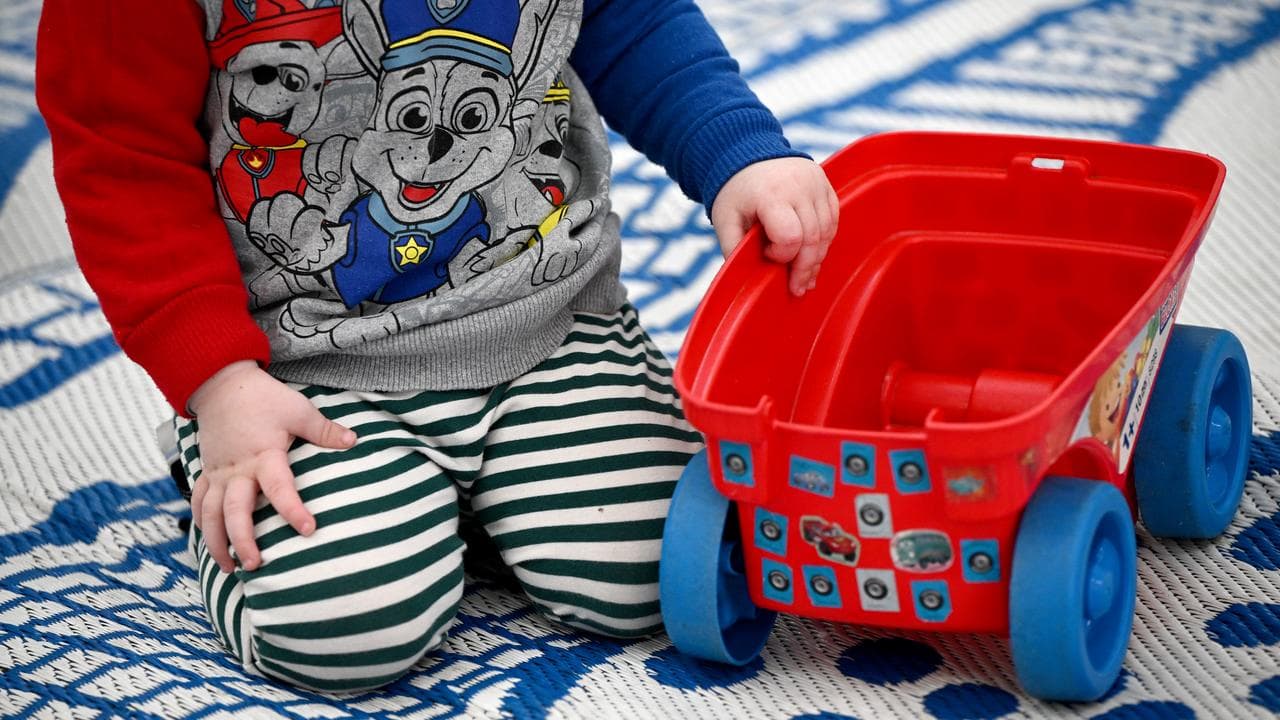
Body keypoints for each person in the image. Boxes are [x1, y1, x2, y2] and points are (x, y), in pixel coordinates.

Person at [36, 0, 838, 692]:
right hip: (294, 371)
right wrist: (214, 377)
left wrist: (739, 153)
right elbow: (121, 160)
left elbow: (629, 19)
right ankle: (251, 461)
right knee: (341, 621)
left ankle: (477, 503)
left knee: (655, 575)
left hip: (542, 317)